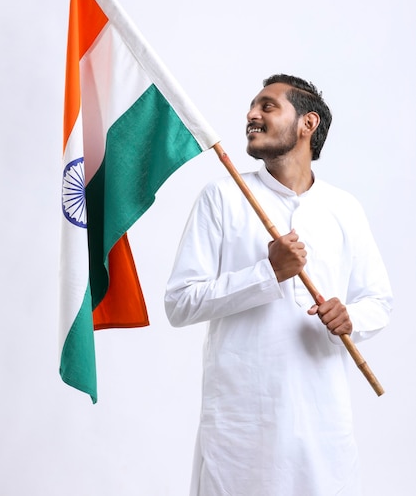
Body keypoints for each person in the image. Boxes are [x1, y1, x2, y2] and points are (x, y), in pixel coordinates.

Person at [165, 74, 392, 496]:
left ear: (308, 124)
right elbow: (179, 303)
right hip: (240, 428)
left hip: (323, 428)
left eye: (267, 106)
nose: (252, 115)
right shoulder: (223, 196)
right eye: (252, 107)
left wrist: (351, 317)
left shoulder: (344, 207)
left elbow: (378, 301)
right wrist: (266, 273)